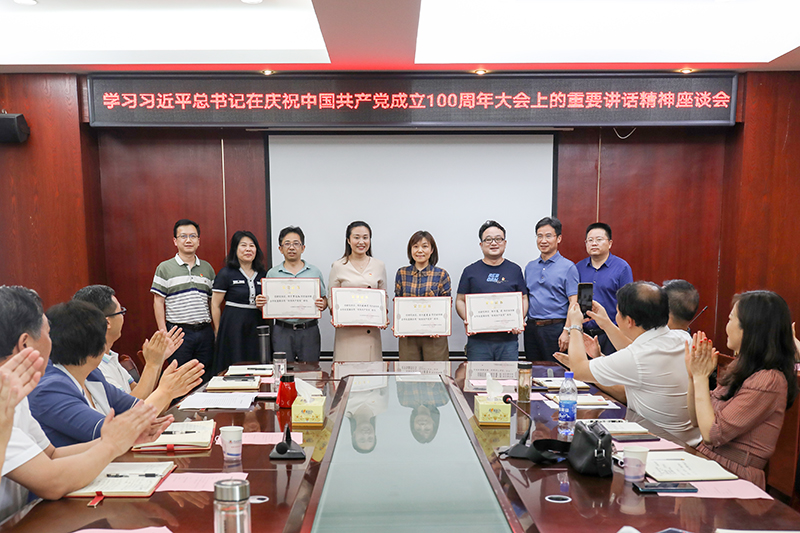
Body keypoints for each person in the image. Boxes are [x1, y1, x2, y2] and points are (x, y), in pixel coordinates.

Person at [0, 285, 162, 522]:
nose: (52, 342)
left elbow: (51, 454)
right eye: (48, 333)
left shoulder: (16, 392)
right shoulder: (28, 392)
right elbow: (52, 483)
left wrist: (119, 438)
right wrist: (111, 445)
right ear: (25, 344)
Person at [29, 300, 198, 447]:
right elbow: (108, 433)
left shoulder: (92, 374)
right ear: (94, 346)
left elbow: (136, 408)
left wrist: (164, 396)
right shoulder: (49, 388)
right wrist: (165, 392)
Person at [558, 281, 701, 445]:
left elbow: (578, 370)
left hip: (656, 444)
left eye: (618, 312)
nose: (616, 316)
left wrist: (575, 325)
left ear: (630, 321)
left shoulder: (638, 357)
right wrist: (605, 323)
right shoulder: (683, 338)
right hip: (690, 443)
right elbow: (635, 351)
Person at [685, 291, 798, 490]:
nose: (726, 326)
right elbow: (696, 420)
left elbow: (712, 433)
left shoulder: (768, 380)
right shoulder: (741, 367)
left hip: (735, 477)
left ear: (751, 328)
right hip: (709, 463)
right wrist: (693, 377)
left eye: (731, 319)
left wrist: (702, 378)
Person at [73, 284, 186, 396]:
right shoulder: (93, 367)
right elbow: (135, 404)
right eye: (121, 312)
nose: (123, 317)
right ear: (107, 323)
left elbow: (141, 393)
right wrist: (153, 364)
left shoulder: (109, 356)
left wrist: (158, 360)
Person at [151, 218, 216, 381]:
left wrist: (215, 330)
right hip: (178, 333)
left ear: (198, 241)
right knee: (180, 378)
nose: (188, 240)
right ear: (175, 241)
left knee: (205, 377)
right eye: (183, 236)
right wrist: (164, 332)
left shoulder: (207, 268)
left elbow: (213, 302)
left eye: (193, 236)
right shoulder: (164, 268)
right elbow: (158, 301)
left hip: (205, 331)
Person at [456, 220, 528, 362]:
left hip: (508, 341)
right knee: (478, 376)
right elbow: (460, 300)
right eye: (488, 239)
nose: (493, 243)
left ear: (505, 243)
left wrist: (519, 320)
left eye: (498, 239)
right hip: (478, 341)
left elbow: (524, 298)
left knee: (508, 376)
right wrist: (469, 320)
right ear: (481, 244)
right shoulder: (470, 271)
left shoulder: (514, 270)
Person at [266, 226, 328, 363]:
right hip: (282, 330)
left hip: (309, 330)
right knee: (283, 370)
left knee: (310, 370)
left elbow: (324, 300)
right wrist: (261, 304)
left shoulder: (314, 272)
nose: (291, 247)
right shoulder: (272, 273)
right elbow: (267, 304)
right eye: (287, 244)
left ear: (303, 248)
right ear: (280, 249)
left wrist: (322, 304)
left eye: (296, 243)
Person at [328, 221, 388, 362]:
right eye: (356, 237)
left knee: (372, 373)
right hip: (346, 333)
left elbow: (383, 296)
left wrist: (383, 315)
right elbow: (331, 297)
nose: (361, 242)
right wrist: (336, 313)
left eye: (365, 237)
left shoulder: (379, 265)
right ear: (348, 240)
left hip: (370, 333)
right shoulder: (338, 266)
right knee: (345, 372)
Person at [211, 230, 268, 372]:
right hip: (233, 325)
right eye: (243, 245)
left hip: (257, 323)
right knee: (234, 362)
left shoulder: (264, 274)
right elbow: (215, 304)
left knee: (256, 362)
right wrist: (218, 330)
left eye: (252, 246)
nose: (248, 249)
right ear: (235, 249)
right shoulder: (226, 273)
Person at [523, 217, 578, 363]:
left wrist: (567, 331)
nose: (543, 240)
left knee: (556, 371)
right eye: (539, 236)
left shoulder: (568, 267)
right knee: (533, 370)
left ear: (558, 238)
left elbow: (574, 302)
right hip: (532, 328)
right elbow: (526, 298)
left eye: (548, 236)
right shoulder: (530, 267)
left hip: (556, 329)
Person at [573, 222, 633, 354]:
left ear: (610, 243)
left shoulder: (622, 268)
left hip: (611, 334)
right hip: (584, 333)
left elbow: (628, 303)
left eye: (599, 239)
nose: (594, 243)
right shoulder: (578, 268)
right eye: (590, 240)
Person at [394, 230, 452, 361]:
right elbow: (398, 302)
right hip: (408, 335)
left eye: (425, 246)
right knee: (409, 372)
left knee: (436, 372)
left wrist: (441, 326)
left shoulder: (441, 274)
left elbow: (446, 306)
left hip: (435, 336)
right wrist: (398, 324)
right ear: (410, 250)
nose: (420, 250)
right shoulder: (402, 273)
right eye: (415, 246)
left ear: (432, 250)